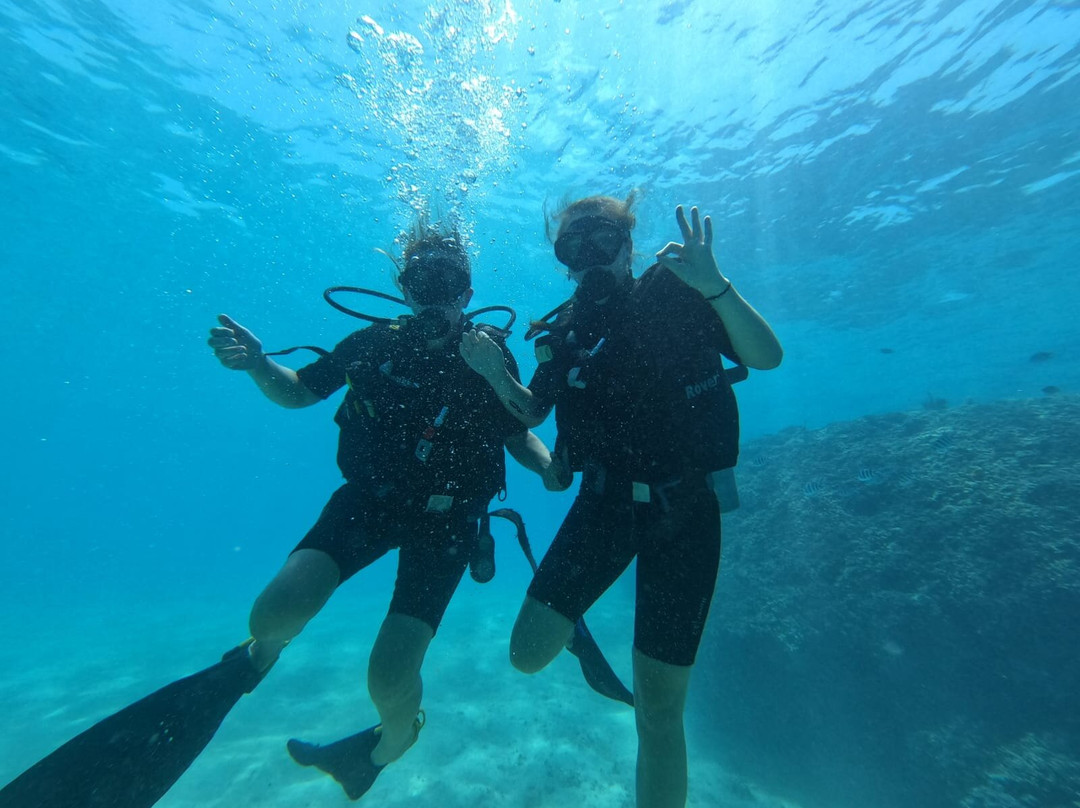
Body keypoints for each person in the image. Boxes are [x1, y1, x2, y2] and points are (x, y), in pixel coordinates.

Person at [0, 224, 557, 808]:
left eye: (451, 282)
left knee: (389, 676)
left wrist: (546, 465)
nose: (438, 294)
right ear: (406, 288)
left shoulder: (490, 352)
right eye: (424, 280)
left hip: (448, 519)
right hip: (369, 502)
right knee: (274, 611)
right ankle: (253, 660)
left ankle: (385, 748)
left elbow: (517, 433)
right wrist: (259, 365)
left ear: (468, 291)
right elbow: (298, 392)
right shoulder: (370, 345)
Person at [459, 195, 783, 808]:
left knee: (659, 713)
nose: (589, 259)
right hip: (602, 507)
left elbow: (767, 357)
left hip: (684, 512)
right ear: (564, 264)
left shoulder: (683, 291)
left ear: (629, 245)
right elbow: (533, 410)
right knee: (526, 655)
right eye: (572, 250)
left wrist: (716, 287)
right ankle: (579, 631)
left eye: (602, 242)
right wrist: (493, 376)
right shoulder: (562, 334)